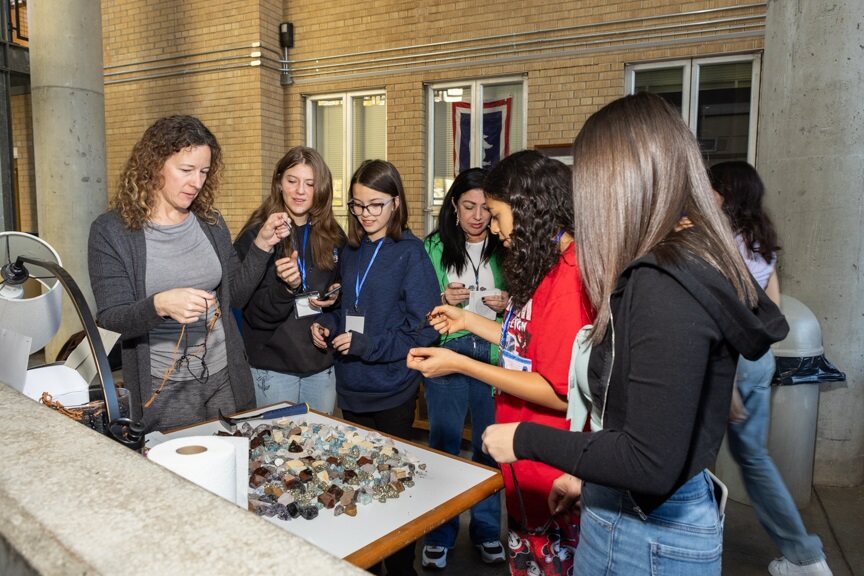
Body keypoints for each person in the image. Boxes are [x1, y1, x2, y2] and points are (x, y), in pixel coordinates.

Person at [481, 93, 790, 575]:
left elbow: (648, 459)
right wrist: (590, 480)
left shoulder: (663, 281)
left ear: (616, 184)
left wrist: (525, 438)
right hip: (643, 511)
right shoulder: (688, 261)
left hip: (647, 536)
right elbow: (661, 426)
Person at [408, 150, 591, 576]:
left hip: (548, 463)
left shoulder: (568, 279)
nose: (491, 226)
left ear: (528, 211)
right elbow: (528, 342)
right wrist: (467, 319)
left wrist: (461, 362)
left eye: (497, 215)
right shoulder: (548, 267)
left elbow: (558, 390)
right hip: (530, 462)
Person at [88, 115, 290, 433]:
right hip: (165, 388)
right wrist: (159, 305)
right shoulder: (112, 231)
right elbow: (112, 319)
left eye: (204, 172)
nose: (197, 182)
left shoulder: (209, 221)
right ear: (154, 165)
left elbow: (235, 295)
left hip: (224, 375)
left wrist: (262, 245)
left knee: (235, 464)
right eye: (186, 170)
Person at [310, 159, 439, 576]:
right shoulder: (349, 251)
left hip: (392, 389)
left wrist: (369, 346)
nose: (366, 215)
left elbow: (424, 332)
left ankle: (402, 568)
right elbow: (348, 308)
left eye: (376, 205)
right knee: (361, 485)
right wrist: (326, 326)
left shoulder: (411, 253)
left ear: (396, 203)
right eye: (358, 206)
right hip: (352, 385)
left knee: (393, 490)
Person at [710, 161, 832, 576]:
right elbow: (773, 311)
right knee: (755, 459)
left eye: (710, 187)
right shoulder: (761, 240)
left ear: (723, 194)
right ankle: (805, 557)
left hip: (726, 360)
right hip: (758, 357)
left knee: (692, 456)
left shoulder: (719, 243)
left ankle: (687, 542)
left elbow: (716, 315)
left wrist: (726, 382)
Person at [420, 167, 508, 569]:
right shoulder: (433, 247)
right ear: (453, 207)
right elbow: (417, 305)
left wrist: (509, 304)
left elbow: (527, 305)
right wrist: (440, 296)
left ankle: (488, 530)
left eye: (485, 209)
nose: (477, 216)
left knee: (491, 448)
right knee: (444, 447)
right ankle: (440, 531)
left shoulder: (508, 244)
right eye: (468, 206)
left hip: (492, 356)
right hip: (448, 353)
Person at [235, 146, 345, 414]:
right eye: (292, 181)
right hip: (273, 369)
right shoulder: (258, 236)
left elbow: (343, 296)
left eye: (310, 183)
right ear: (279, 183)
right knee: (276, 450)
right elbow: (250, 311)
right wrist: (285, 288)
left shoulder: (333, 235)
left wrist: (334, 297)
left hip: (320, 366)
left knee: (320, 452)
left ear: (321, 189)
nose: (300, 191)